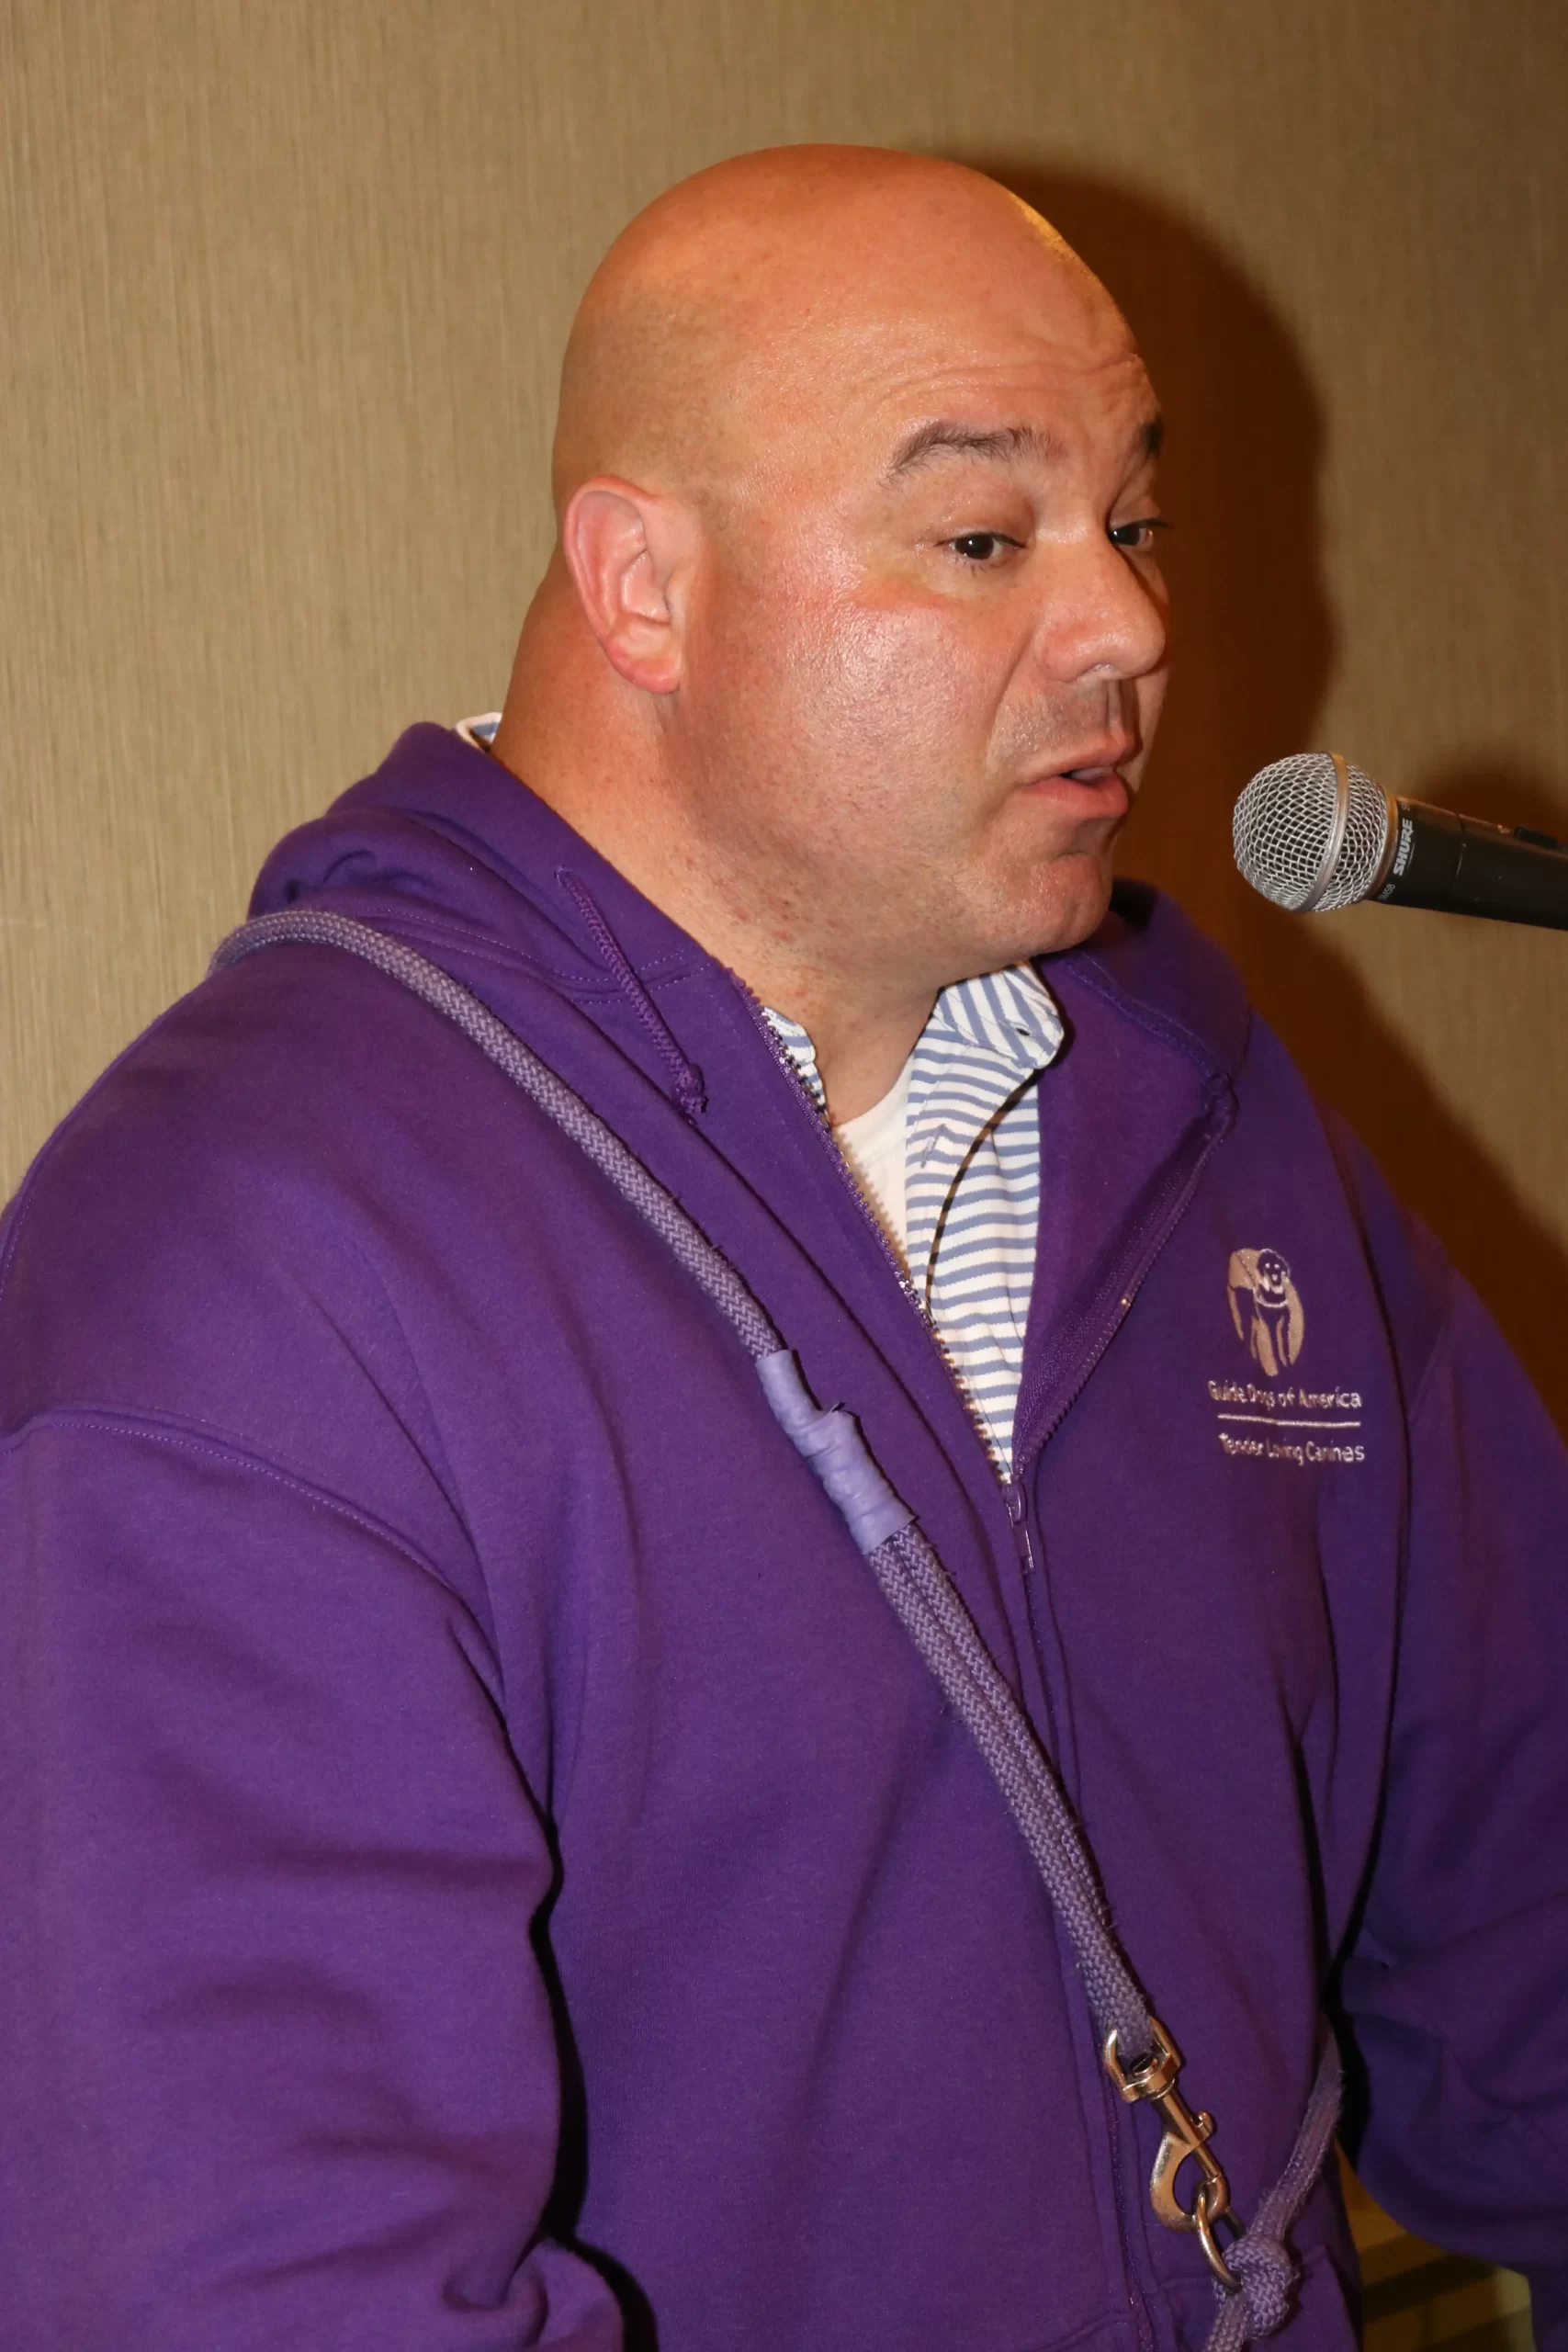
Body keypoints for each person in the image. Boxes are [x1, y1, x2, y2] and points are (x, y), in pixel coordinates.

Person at [1, 144, 1564, 2352]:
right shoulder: (249, 1265)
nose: (1130, 625)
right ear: (643, 588)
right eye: (982, 535)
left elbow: (1531, 1904)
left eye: (1130, 521)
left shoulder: (1206, 1113)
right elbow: (254, 2290)